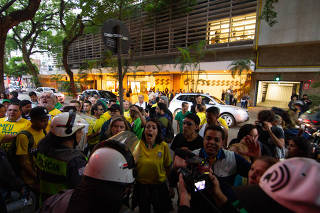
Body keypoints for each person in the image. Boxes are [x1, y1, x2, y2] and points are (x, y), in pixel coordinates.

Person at [178, 157, 320, 213]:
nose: (252, 175)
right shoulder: (246, 200)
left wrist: (184, 200)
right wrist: (217, 193)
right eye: (252, 169)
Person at [36, 112, 88, 202]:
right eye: (79, 131)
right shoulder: (75, 160)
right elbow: (81, 190)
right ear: (69, 133)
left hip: (44, 202)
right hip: (62, 204)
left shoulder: (43, 146)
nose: (82, 134)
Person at [134, 118, 173, 213]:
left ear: (157, 132)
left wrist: (171, 185)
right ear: (144, 131)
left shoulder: (163, 146)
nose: (150, 129)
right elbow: (132, 165)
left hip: (159, 186)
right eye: (147, 127)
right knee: (144, 209)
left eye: (154, 127)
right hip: (141, 186)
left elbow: (168, 166)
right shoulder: (138, 145)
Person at [15, 107, 49, 191]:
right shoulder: (24, 136)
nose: (45, 123)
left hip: (40, 175)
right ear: (32, 120)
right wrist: (36, 177)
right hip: (30, 180)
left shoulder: (43, 132)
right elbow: (24, 163)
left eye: (46, 120)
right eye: (42, 120)